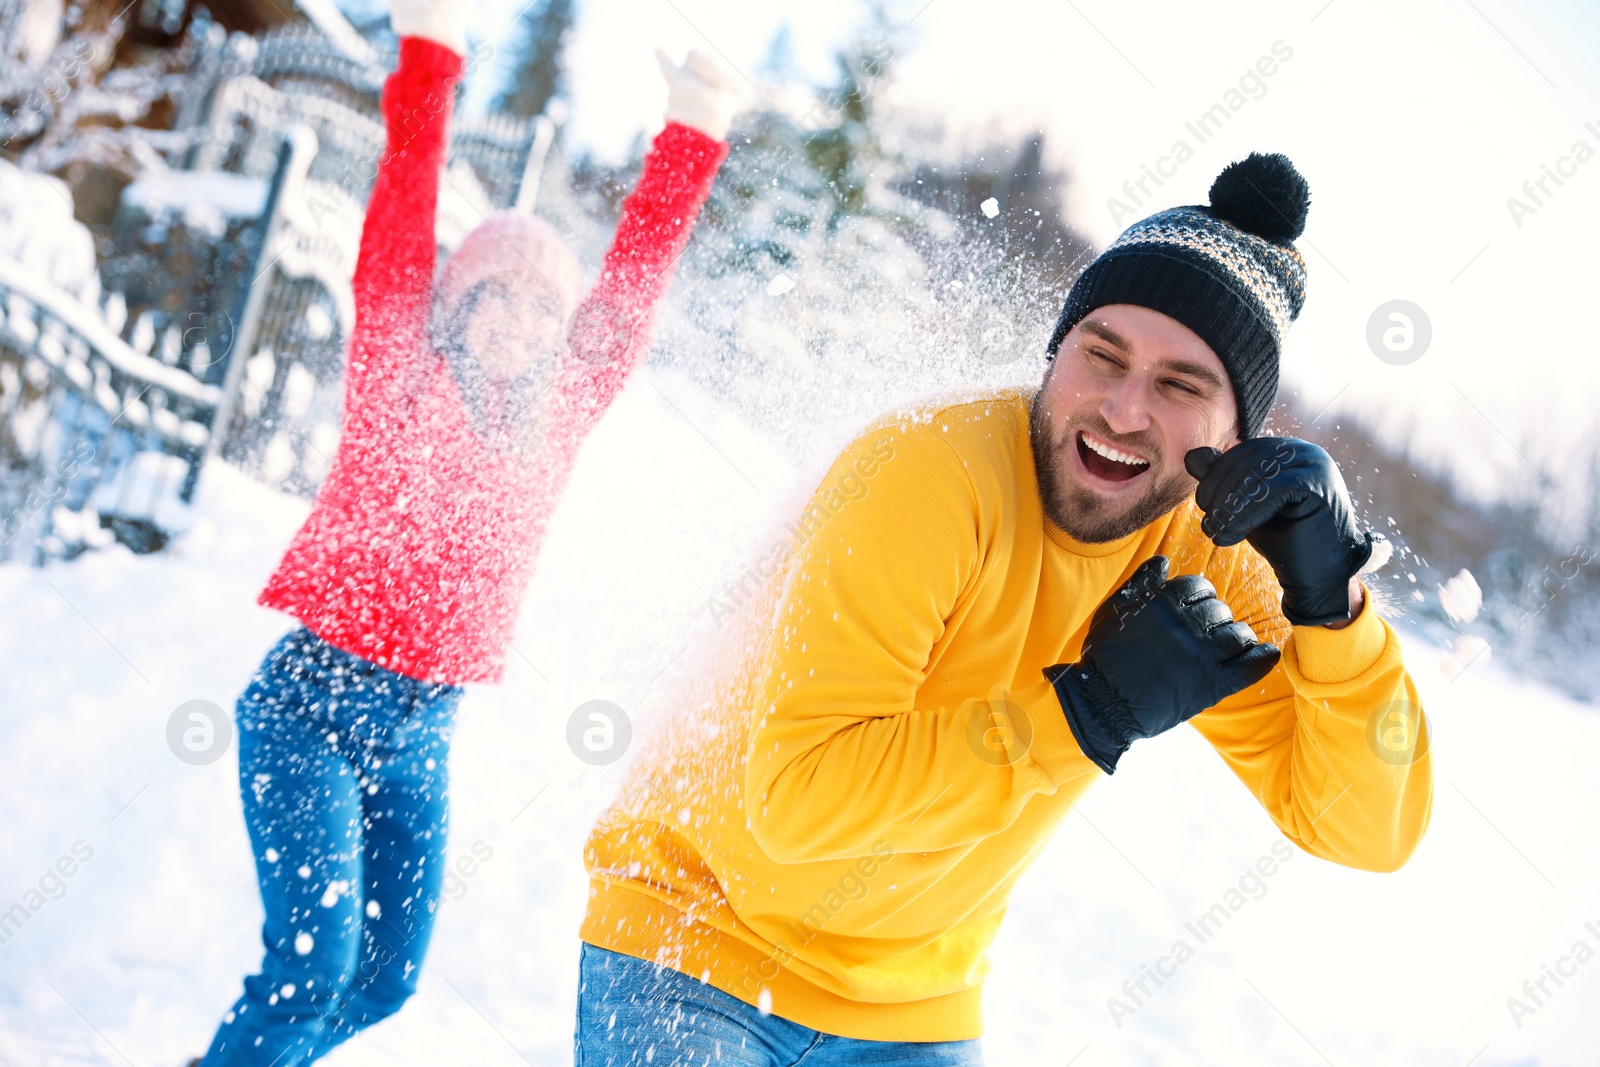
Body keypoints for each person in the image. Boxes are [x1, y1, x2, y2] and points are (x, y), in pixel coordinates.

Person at [573, 152, 1433, 1064]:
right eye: (1101, 355)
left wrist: (1331, 608)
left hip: (915, 1006)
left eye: (1181, 386)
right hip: (699, 934)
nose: (1124, 408)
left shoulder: (1206, 548)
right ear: (1054, 354)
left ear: (1234, 436)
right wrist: (1084, 712)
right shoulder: (928, 473)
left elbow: (1364, 829)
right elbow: (798, 801)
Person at [193, 0, 741, 1061]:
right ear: (452, 297)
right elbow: (405, 192)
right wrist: (432, 48)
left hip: (422, 731)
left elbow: (630, 287)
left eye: (546, 310)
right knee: (310, 972)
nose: (523, 321)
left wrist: (695, 125)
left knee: (384, 980)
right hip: (310, 703)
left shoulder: (558, 410)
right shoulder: (398, 366)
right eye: (498, 294)